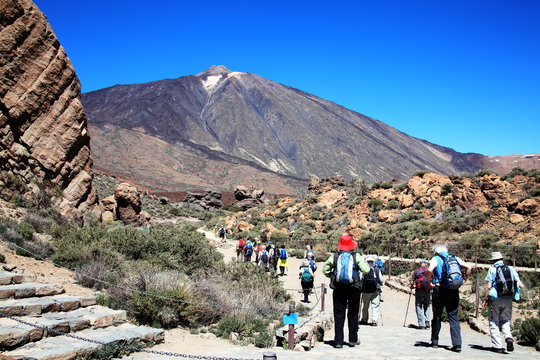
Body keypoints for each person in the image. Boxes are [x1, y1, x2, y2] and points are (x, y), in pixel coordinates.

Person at [323, 234, 370, 348]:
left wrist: (332, 276)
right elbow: (366, 269)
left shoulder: (334, 256)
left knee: (339, 314)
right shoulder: (356, 256)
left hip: (339, 288)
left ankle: (338, 341)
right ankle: (352, 340)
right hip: (354, 289)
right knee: (353, 313)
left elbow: (325, 270)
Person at [427, 244, 471, 353]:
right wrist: (465, 278)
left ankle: (435, 341)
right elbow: (469, 267)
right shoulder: (454, 258)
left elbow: (429, 270)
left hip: (440, 290)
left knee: (437, 315)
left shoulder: (435, 258)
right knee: (453, 316)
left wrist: (429, 282)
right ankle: (457, 344)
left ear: (437, 252)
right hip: (453, 290)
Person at [482, 251, 523, 354]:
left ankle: (497, 346)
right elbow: (520, 285)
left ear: (493, 261)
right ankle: (508, 337)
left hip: (496, 299)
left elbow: (489, 286)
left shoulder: (492, 269)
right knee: (505, 320)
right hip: (508, 298)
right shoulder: (511, 269)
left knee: (494, 321)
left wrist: (485, 299)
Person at [360, 255, 384, 326]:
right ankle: (374, 321)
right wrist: (380, 285)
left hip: (366, 290)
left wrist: (361, 286)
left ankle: (364, 320)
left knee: (365, 306)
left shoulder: (364, 269)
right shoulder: (376, 269)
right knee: (375, 305)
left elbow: (361, 279)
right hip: (375, 290)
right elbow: (381, 279)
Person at [410, 259, 432, 329]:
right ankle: (427, 321)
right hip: (428, 291)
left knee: (418, 305)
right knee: (427, 305)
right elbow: (433, 280)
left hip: (419, 291)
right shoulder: (429, 271)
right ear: (426, 264)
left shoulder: (416, 271)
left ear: (420, 264)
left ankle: (421, 324)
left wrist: (411, 286)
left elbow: (412, 281)